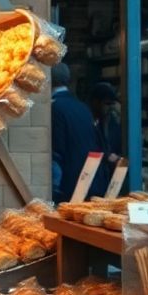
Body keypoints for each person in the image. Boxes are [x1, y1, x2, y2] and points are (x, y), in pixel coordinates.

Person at [51, 62, 98, 202]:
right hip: (87, 175)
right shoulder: (82, 107)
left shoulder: (54, 107)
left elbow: (57, 148)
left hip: (66, 180)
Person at [90, 82, 123, 196]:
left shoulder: (113, 122)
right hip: (95, 176)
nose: (110, 108)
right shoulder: (89, 122)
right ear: (96, 103)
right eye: (107, 104)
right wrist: (106, 155)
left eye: (112, 104)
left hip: (111, 175)